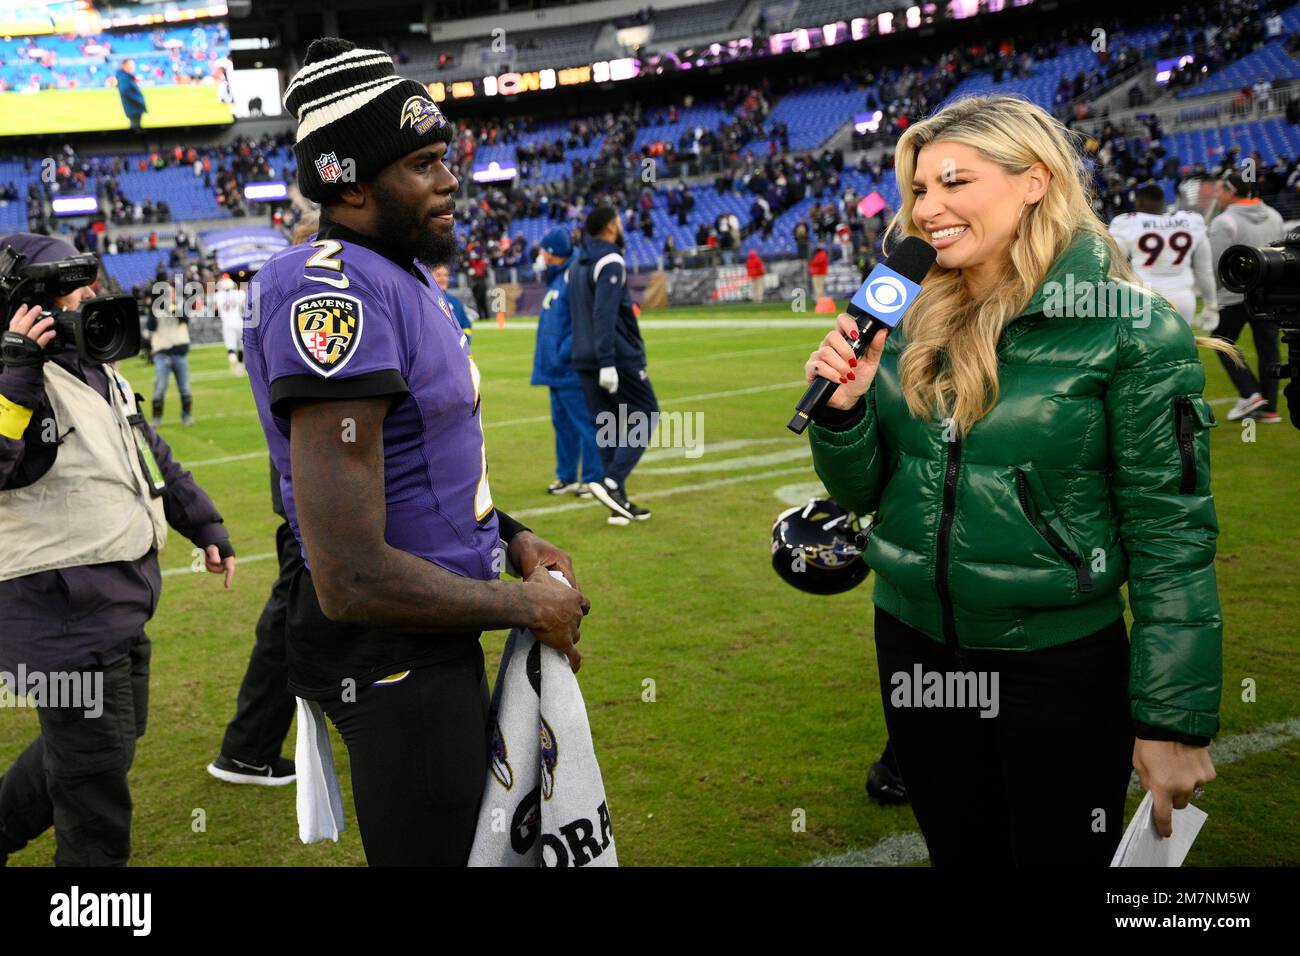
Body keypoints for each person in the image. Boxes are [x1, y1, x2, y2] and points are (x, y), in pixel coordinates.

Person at [802, 96, 1223, 866]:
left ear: (1034, 180)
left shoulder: (1129, 327)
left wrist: (1172, 719)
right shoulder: (906, 315)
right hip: (912, 647)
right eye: (920, 190)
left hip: (1053, 665)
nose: (929, 209)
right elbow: (868, 495)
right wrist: (843, 412)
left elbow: (1171, 534)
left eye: (954, 182)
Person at [243, 37, 588, 866]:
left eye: (447, 158)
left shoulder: (396, 276)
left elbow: (416, 469)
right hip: (391, 655)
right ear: (350, 181)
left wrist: (508, 536)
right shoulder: (335, 290)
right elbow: (352, 573)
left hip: (429, 630)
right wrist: (522, 604)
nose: (450, 179)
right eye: (425, 162)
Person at [0, 232, 235, 865]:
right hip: (60, 613)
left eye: (88, 287)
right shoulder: (12, 375)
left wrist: (205, 526)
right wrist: (17, 374)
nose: (90, 301)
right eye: (70, 292)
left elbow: (150, 455)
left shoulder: (95, 366)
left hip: (117, 600)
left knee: (110, 742)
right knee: (94, 788)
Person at [568, 204, 657, 525]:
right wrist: (608, 361)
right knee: (647, 413)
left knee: (610, 426)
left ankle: (616, 504)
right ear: (609, 227)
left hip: (584, 356)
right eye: (618, 221)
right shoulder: (610, 260)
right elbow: (604, 314)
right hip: (615, 357)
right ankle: (611, 482)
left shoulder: (577, 263)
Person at [1208, 170, 1286, 425]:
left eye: (1219, 190)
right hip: (1269, 292)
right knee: (1268, 349)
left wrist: (1216, 295)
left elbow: (1217, 264)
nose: (1216, 195)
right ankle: (1270, 408)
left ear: (1231, 192)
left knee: (1221, 341)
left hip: (1236, 294)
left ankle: (1251, 392)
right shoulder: (1274, 215)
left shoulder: (1224, 222)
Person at [531, 227, 601, 498]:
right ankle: (567, 476)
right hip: (554, 369)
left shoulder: (575, 276)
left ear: (552, 253)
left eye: (543, 250)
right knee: (562, 425)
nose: (539, 255)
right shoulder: (557, 278)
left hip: (570, 368)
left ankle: (594, 478)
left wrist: (565, 353)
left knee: (585, 424)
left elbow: (582, 322)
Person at [1108, 182, 1217, 330]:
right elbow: (1204, 271)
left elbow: (1112, 265)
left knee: (1146, 349)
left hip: (1145, 297)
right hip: (1183, 299)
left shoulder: (1128, 223)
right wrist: (1211, 304)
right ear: (1163, 203)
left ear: (1139, 202)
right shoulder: (1190, 221)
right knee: (1181, 348)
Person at [147, 281, 193, 426]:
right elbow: (150, 326)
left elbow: (185, 319)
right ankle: (156, 418)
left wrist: (173, 308)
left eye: (172, 292)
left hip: (179, 352)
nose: (170, 295)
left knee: (184, 387)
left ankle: (187, 416)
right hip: (162, 353)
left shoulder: (181, 305)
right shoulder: (156, 308)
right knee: (160, 387)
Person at [431, 262, 474, 348]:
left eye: (446, 275)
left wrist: (463, 344)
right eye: (438, 275)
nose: (443, 279)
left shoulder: (456, 302)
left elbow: (466, 326)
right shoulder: (424, 301)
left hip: (456, 353)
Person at [213, 274, 247, 375]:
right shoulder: (239, 294)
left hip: (227, 323)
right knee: (241, 347)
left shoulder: (218, 296)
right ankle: (241, 367)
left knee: (231, 348)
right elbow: (245, 307)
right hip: (239, 322)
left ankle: (233, 363)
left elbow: (215, 310)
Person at [115, 58, 146, 132]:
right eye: (130, 65)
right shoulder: (124, 78)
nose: (133, 67)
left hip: (133, 107)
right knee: (136, 128)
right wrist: (139, 101)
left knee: (135, 125)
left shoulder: (126, 76)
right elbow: (125, 91)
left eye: (133, 65)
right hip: (133, 107)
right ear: (124, 66)